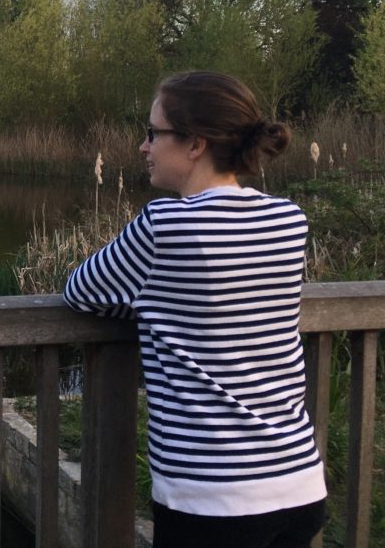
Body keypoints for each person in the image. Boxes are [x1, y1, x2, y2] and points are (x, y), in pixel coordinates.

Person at [63, 71, 327, 548]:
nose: (143, 147)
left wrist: (147, 304)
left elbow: (81, 291)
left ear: (194, 144)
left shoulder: (165, 224)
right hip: (298, 480)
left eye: (152, 133)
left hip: (213, 498)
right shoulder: (289, 220)